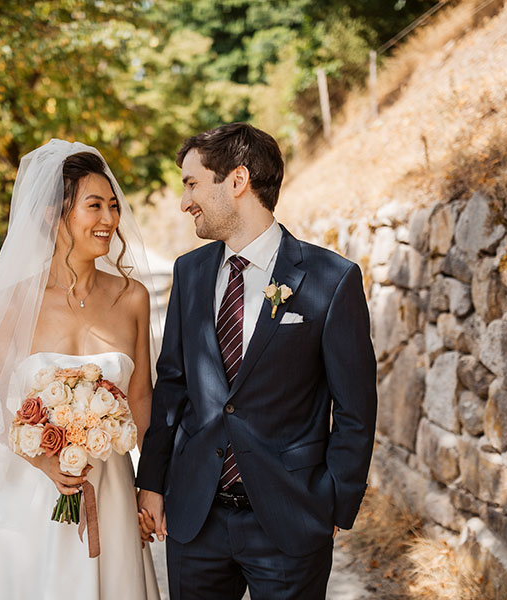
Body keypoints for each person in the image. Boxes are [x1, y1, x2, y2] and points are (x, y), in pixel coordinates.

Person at [136, 123, 377, 599]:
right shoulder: (190, 272)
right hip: (196, 519)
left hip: (289, 522)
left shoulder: (332, 280)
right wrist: (153, 483)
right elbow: (173, 386)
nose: (185, 202)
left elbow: (355, 409)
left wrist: (332, 504)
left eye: (192, 184)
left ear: (238, 180)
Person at [0, 140, 160, 600]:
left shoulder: (132, 298)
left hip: (110, 493)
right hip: (29, 500)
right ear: (55, 215)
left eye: (113, 206)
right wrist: (43, 459)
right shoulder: (13, 301)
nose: (110, 219)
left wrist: (147, 487)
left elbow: (142, 398)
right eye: (94, 206)